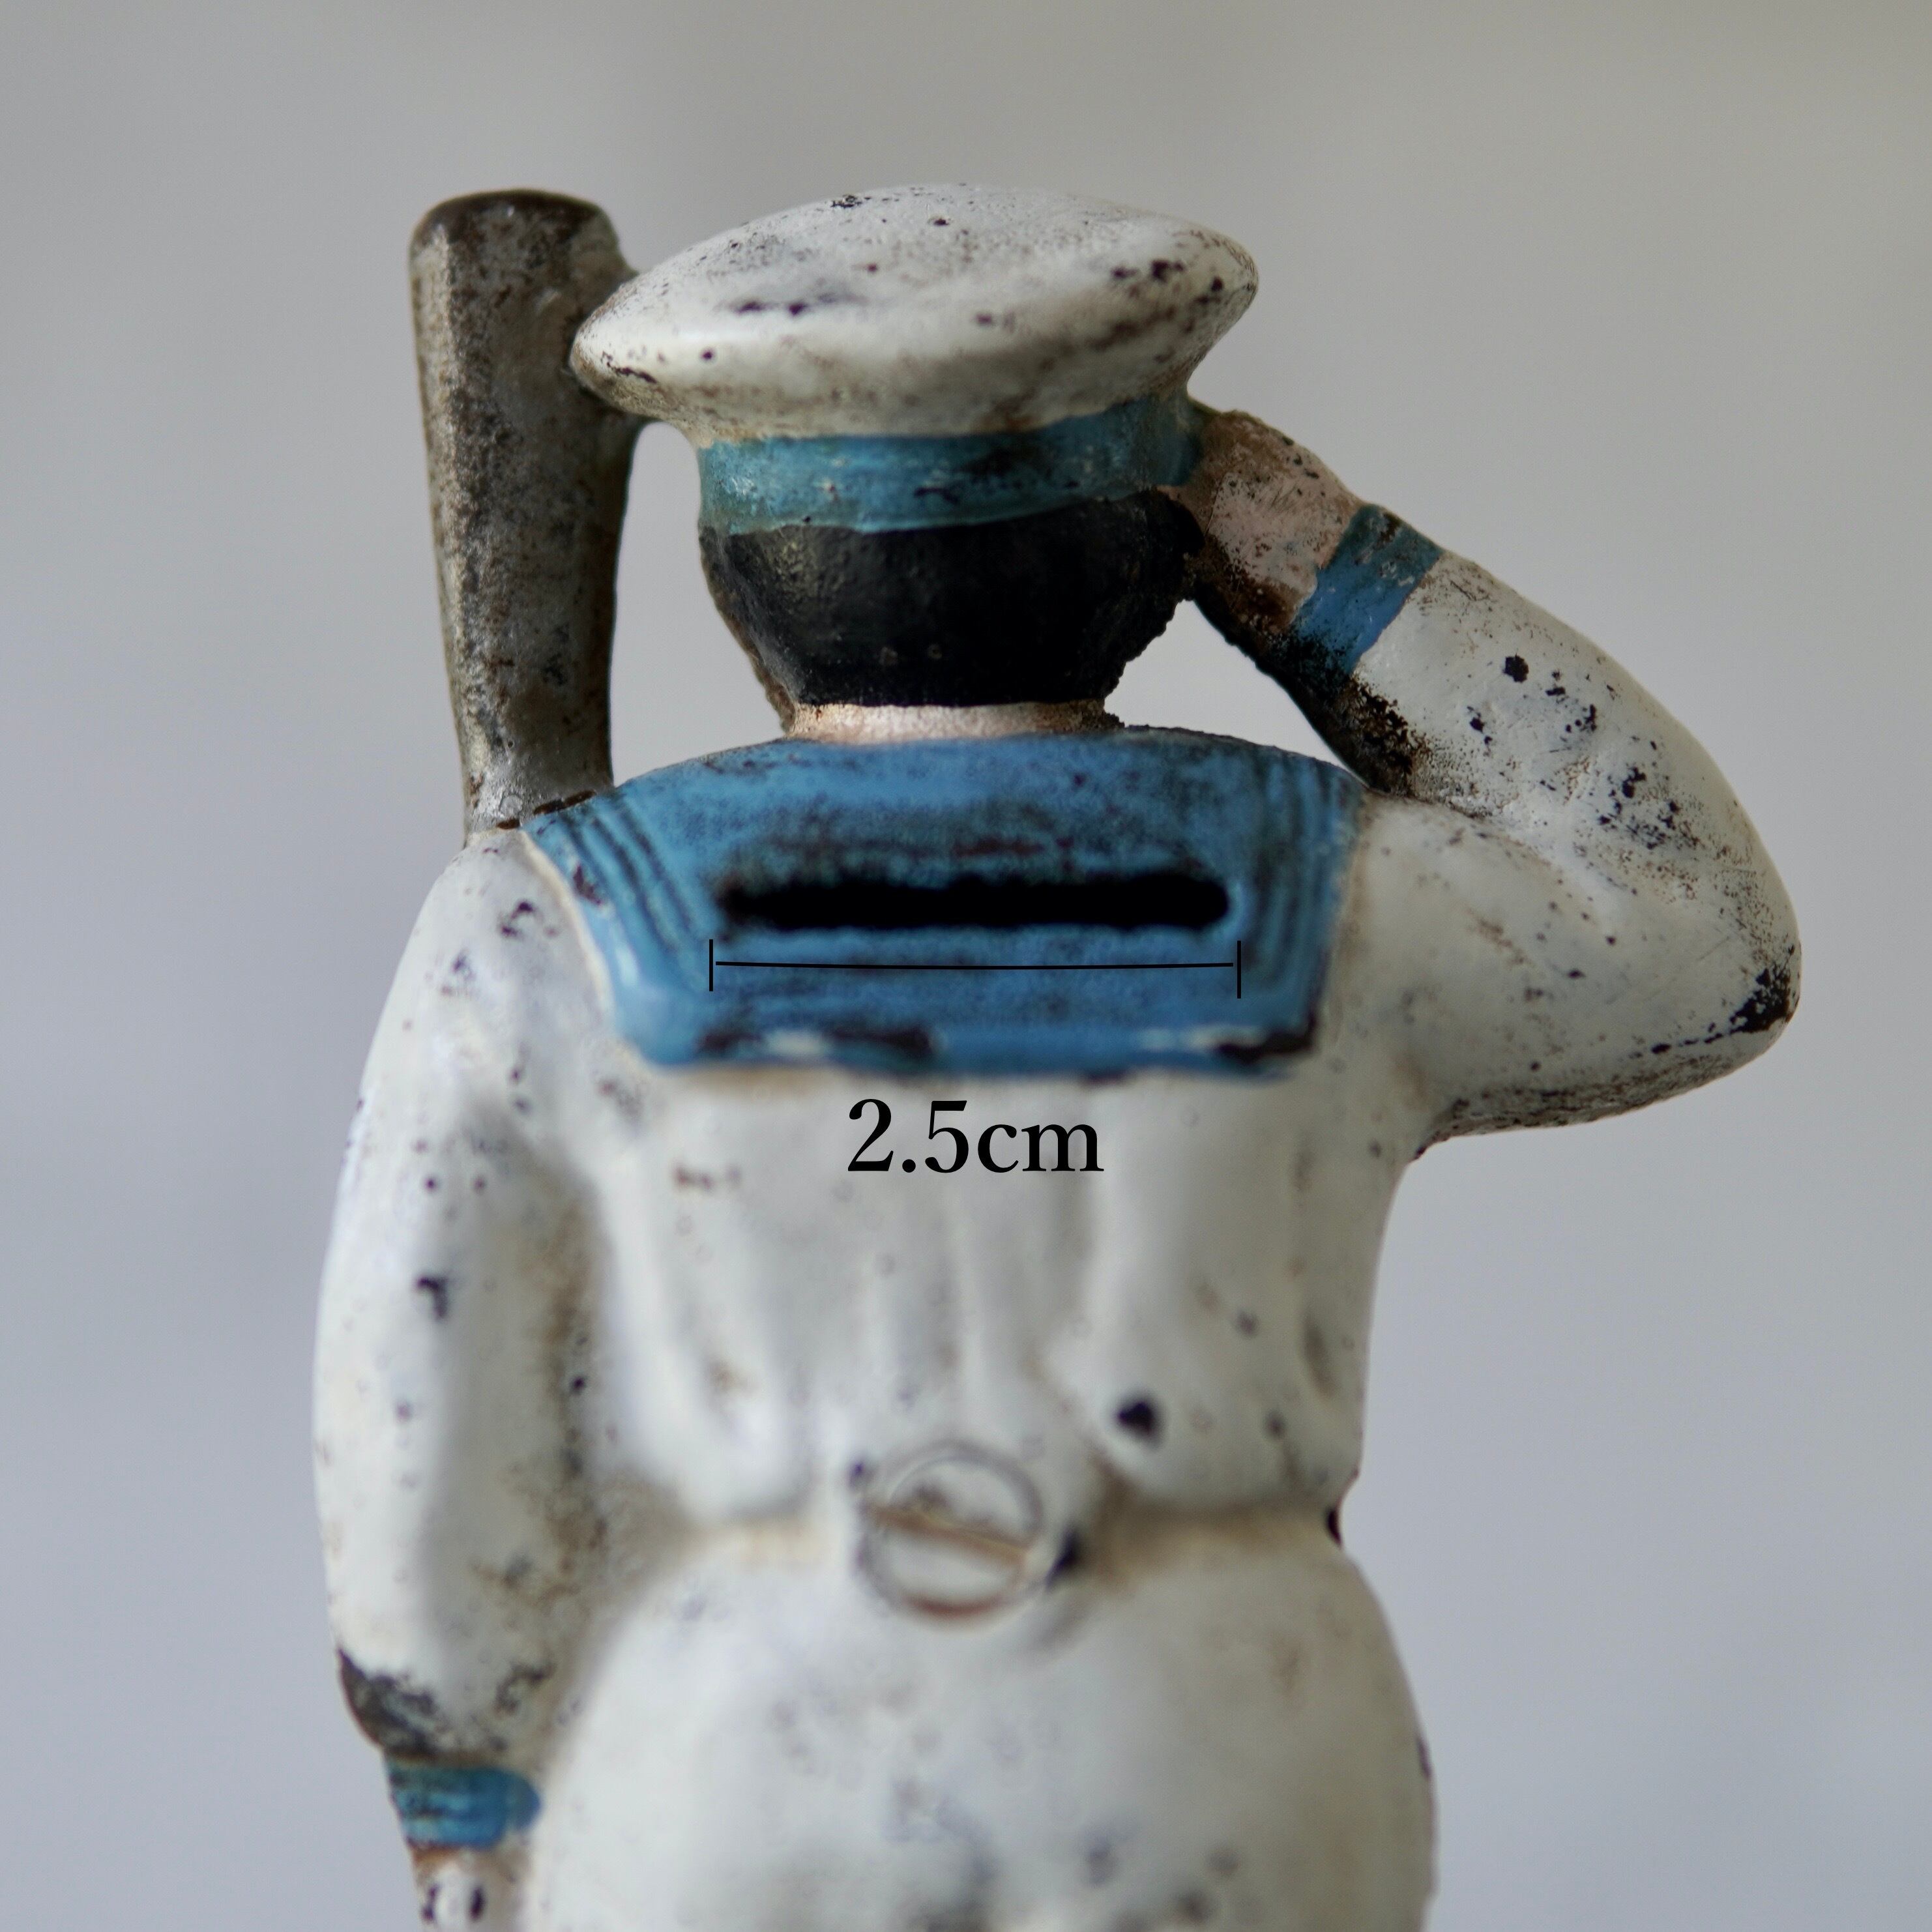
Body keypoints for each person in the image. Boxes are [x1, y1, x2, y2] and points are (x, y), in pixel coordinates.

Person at [316, 187, 1797, 1932]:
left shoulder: (543, 920)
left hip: (737, 1746)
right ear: (1150, 546)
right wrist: (1317, 551)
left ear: (740, 566)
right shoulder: (1337, 893)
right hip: (1207, 1727)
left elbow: (419, 1422)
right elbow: (1691, 925)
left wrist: (465, 1798)